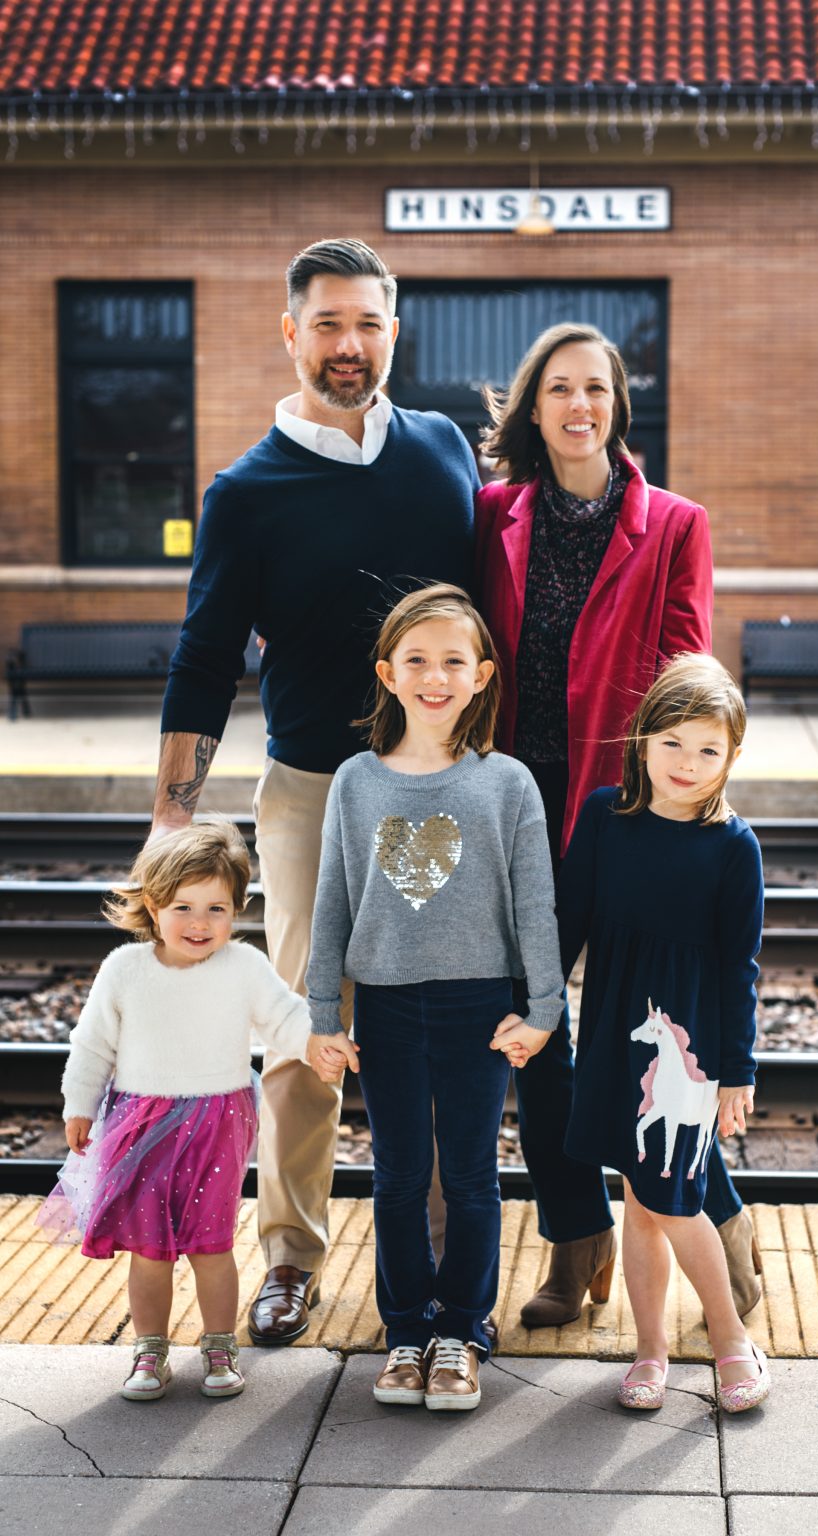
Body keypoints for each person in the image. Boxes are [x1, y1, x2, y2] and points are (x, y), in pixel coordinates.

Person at [152, 239, 478, 1345]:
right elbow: (202, 657)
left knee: (442, 1022)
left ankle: (440, 1251)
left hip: (443, 790)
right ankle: (290, 1256)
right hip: (309, 793)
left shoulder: (442, 452)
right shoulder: (247, 493)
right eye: (328, 324)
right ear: (290, 334)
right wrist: (172, 815)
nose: (350, 345)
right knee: (302, 1028)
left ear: (395, 331)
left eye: (369, 324)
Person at [475, 322, 761, 1328]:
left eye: (596, 388)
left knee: (653, 1041)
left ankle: (720, 1218)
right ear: (534, 406)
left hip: (625, 811)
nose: (579, 405)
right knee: (537, 1032)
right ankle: (575, 1238)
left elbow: (687, 677)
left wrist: (679, 803)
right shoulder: (494, 514)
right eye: (559, 388)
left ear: (617, 405)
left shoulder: (675, 524)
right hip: (517, 808)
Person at [306, 584, 563, 1411]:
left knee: (471, 1175)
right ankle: (405, 1334)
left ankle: (461, 1330)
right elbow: (332, 902)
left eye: (454, 660)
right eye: (416, 660)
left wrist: (545, 1010)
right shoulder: (354, 781)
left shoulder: (507, 784)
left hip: (479, 1008)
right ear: (387, 673)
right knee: (397, 1176)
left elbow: (534, 906)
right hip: (383, 1006)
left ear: (483, 674)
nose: (435, 676)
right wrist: (322, 1014)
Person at [545, 653, 770, 1414]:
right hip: (617, 1034)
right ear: (641, 738)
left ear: (730, 759)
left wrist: (736, 1070)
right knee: (638, 1200)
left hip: (694, 1047)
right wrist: (539, 1008)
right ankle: (650, 1351)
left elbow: (740, 967)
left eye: (708, 750)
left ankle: (731, 1338)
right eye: (671, 741)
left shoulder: (733, 847)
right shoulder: (605, 818)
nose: (687, 762)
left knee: (671, 1197)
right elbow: (567, 924)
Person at [37, 819, 330, 1402]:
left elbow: (284, 1016)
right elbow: (92, 1042)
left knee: (211, 1243)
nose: (200, 924)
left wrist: (318, 1043)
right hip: (138, 1125)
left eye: (217, 909)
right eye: (183, 907)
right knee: (149, 1248)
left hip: (217, 1124)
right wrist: (79, 1104)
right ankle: (150, 1351)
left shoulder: (242, 967)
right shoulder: (125, 968)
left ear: (238, 909)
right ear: (151, 903)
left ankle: (219, 1345)